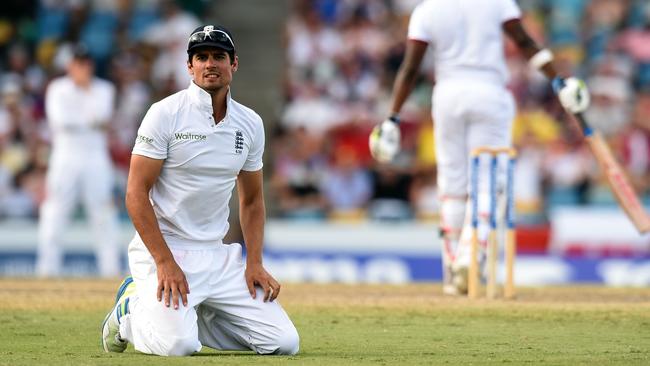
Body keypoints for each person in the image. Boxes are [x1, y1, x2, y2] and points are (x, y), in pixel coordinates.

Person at [101, 24, 300, 356]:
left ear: (233, 63)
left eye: (218, 56)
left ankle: (190, 312)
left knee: (283, 343)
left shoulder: (250, 123)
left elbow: (251, 200)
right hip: (166, 251)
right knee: (179, 346)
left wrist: (255, 262)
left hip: (216, 254)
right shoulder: (164, 113)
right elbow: (136, 193)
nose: (210, 64)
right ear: (189, 66)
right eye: (202, 57)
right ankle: (130, 311)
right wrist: (163, 261)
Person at [368, 0, 590, 295]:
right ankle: (469, 258)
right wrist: (559, 81)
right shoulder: (497, 2)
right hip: (488, 93)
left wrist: (392, 117)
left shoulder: (427, 9)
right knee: (487, 182)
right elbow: (524, 42)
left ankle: (452, 273)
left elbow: (410, 69)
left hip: (447, 96)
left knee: (453, 184)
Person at [37, 44, 121, 277]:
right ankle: (47, 270)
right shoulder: (58, 88)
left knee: (102, 213)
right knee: (55, 211)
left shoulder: (105, 89)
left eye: (85, 63)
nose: (82, 68)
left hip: (95, 158)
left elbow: (102, 118)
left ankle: (110, 269)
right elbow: (60, 121)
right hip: (65, 157)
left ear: (91, 65)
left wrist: (81, 120)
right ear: (70, 65)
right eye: (78, 63)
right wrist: (89, 121)